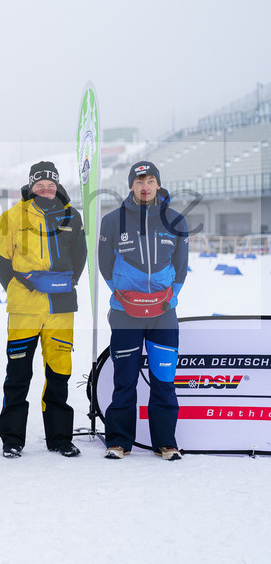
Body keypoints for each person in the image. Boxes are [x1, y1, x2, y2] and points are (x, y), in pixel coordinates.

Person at [0, 161, 87, 458]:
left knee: (59, 373)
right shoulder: (11, 217)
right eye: (40, 185)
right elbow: (1, 263)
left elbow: (80, 256)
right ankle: (12, 439)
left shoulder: (72, 216)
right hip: (23, 309)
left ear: (57, 187)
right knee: (18, 374)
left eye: (51, 185)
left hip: (61, 309)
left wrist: (63, 285)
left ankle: (59, 438)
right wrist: (22, 289)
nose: (46, 189)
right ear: (30, 186)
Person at [99, 160, 189, 461]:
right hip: (126, 313)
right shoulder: (112, 220)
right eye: (139, 181)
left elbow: (180, 267)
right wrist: (125, 296)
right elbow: (104, 265)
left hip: (164, 312)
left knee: (163, 379)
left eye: (150, 180)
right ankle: (119, 442)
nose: (145, 186)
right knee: (124, 379)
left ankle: (165, 442)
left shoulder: (175, 220)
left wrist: (167, 298)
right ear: (130, 186)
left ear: (158, 184)